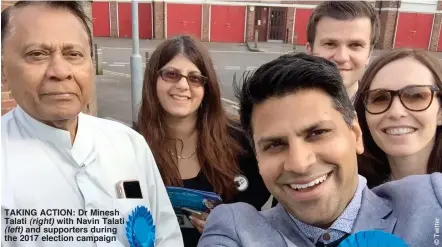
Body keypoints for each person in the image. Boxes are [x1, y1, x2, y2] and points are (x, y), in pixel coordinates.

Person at [197, 53, 442, 247]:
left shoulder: (432, 199)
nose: (300, 163)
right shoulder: (234, 228)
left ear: (356, 134)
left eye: (318, 133)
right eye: (275, 145)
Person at [1, 2, 183, 246]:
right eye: (37, 54)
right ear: (3, 69)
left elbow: (166, 235)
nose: (60, 71)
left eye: (73, 54)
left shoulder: (128, 144)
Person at [137, 35, 270, 247]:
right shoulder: (131, 145)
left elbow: (268, 218)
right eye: (171, 74)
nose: (182, 85)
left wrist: (228, 224)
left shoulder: (242, 143)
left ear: (207, 89)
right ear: (153, 80)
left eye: (195, 78)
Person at [353, 49, 442, 188]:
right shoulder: (352, 195)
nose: (396, 112)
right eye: (380, 98)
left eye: (416, 96)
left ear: (440, 112)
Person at [306, 1, 379, 101]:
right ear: (310, 51)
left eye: (355, 45)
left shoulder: (382, 113)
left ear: (369, 54)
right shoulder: (280, 110)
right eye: (330, 44)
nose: (342, 57)